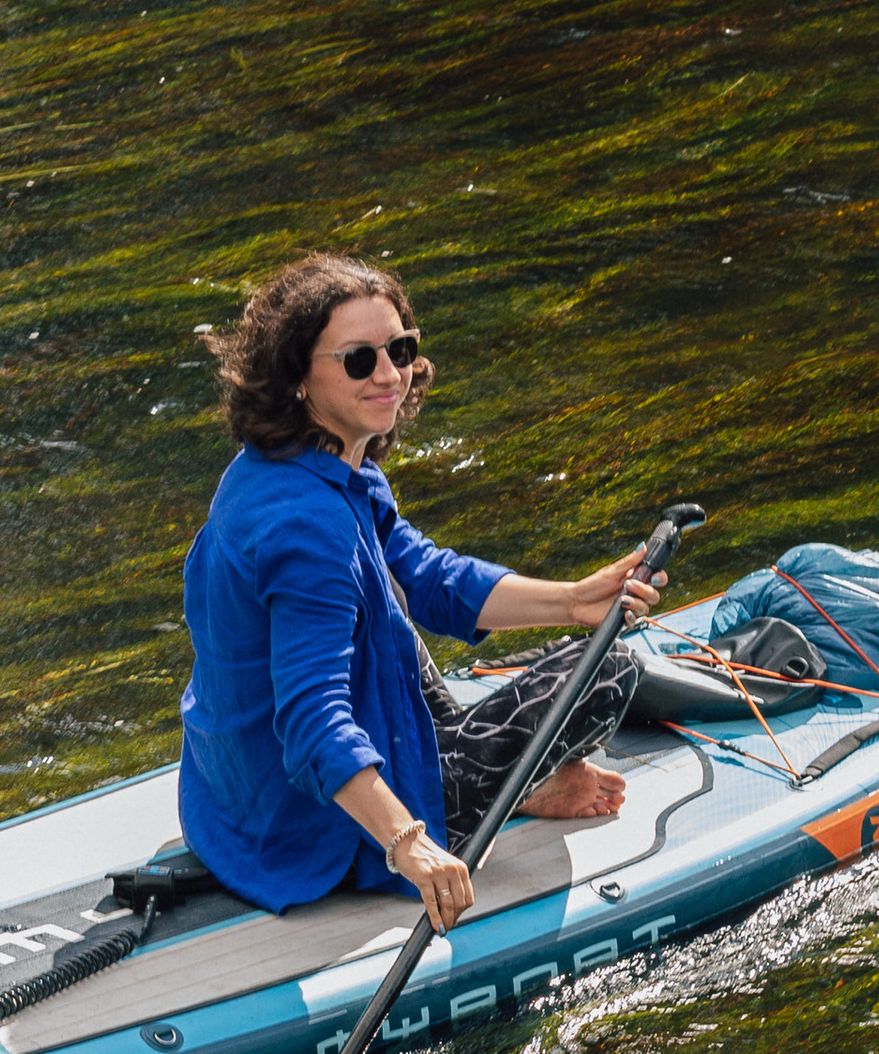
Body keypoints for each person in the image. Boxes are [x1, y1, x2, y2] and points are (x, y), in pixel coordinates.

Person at [177, 250, 660, 934]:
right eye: (358, 359)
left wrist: (574, 600)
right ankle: (512, 789)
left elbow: (426, 577)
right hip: (309, 828)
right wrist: (411, 844)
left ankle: (509, 775)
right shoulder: (307, 526)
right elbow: (311, 722)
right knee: (609, 671)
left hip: (230, 795)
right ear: (295, 377)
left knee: (393, 597)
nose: (389, 374)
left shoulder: (306, 461)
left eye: (400, 349)